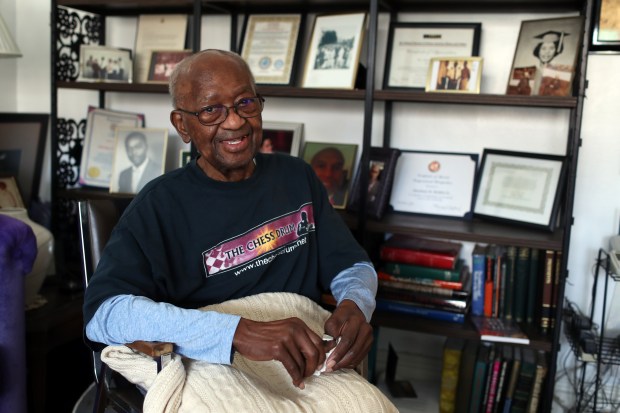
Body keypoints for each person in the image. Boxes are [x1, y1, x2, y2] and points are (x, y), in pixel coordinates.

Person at [83, 49, 377, 392]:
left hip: (306, 359)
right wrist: (235, 331)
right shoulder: (159, 205)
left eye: (245, 103)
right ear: (182, 125)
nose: (235, 121)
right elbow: (105, 315)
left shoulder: (297, 177)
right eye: (211, 111)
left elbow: (353, 264)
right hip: (217, 366)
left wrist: (356, 303)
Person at [531, 30, 567, 95]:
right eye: (543, 48)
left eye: (551, 48)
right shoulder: (532, 68)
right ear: (538, 50)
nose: (547, 52)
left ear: (556, 51)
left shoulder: (557, 71)